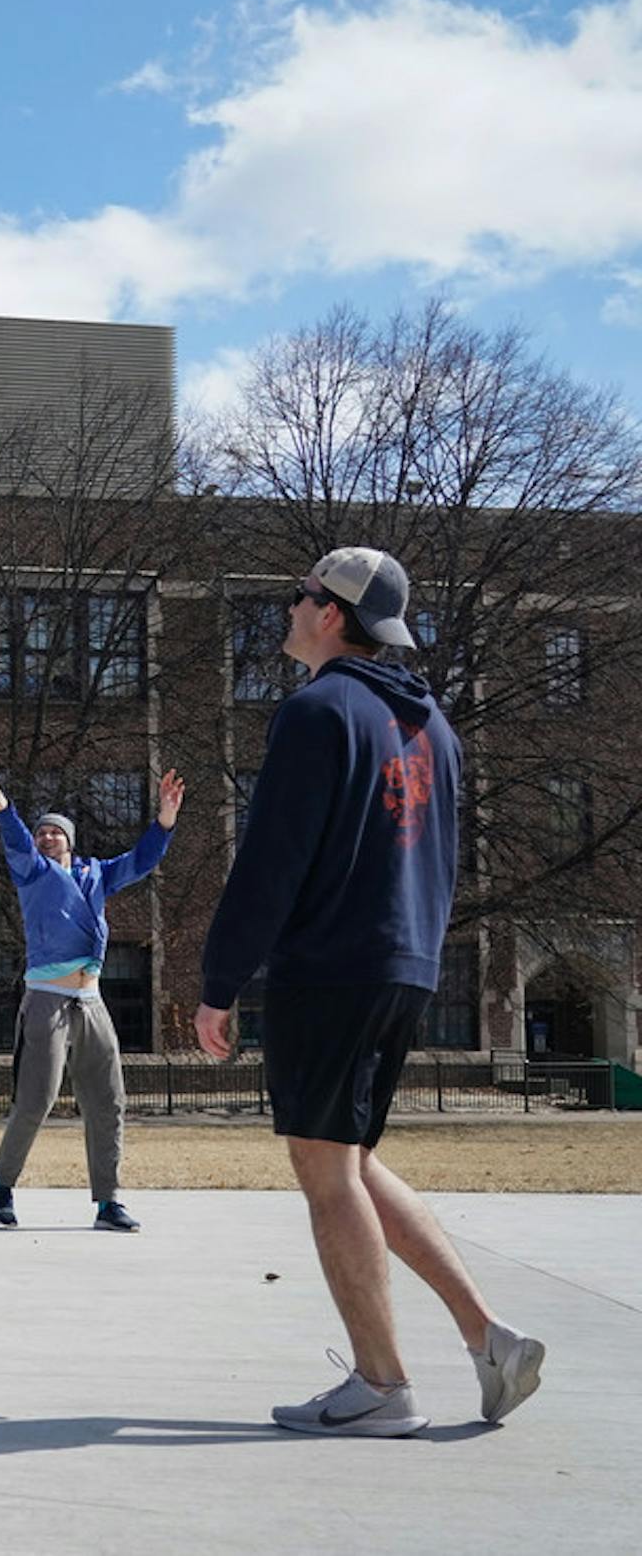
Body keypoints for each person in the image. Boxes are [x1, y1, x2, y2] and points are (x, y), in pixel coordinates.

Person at [197, 547, 544, 1436]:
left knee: (322, 1167)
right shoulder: (435, 726)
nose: (289, 606)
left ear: (333, 615)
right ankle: (489, 1336)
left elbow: (271, 863)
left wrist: (219, 984)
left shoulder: (316, 712)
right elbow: (439, 855)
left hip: (332, 967)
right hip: (405, 965)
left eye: (302, 595)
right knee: (349, 1158)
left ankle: (383, 1388)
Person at [0, 769, 184, 1232]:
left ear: (70, 840)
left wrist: (164, 822)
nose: (47, 836)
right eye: (41, 831)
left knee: (108, 1101)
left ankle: (108, 1202)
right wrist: (3, 811)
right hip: (48, 1000)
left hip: (91, 1002)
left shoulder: (97, 874)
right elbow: (15, 842)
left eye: (56, 831)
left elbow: (140, 861)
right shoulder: (33, 871)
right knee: (37, 1100)